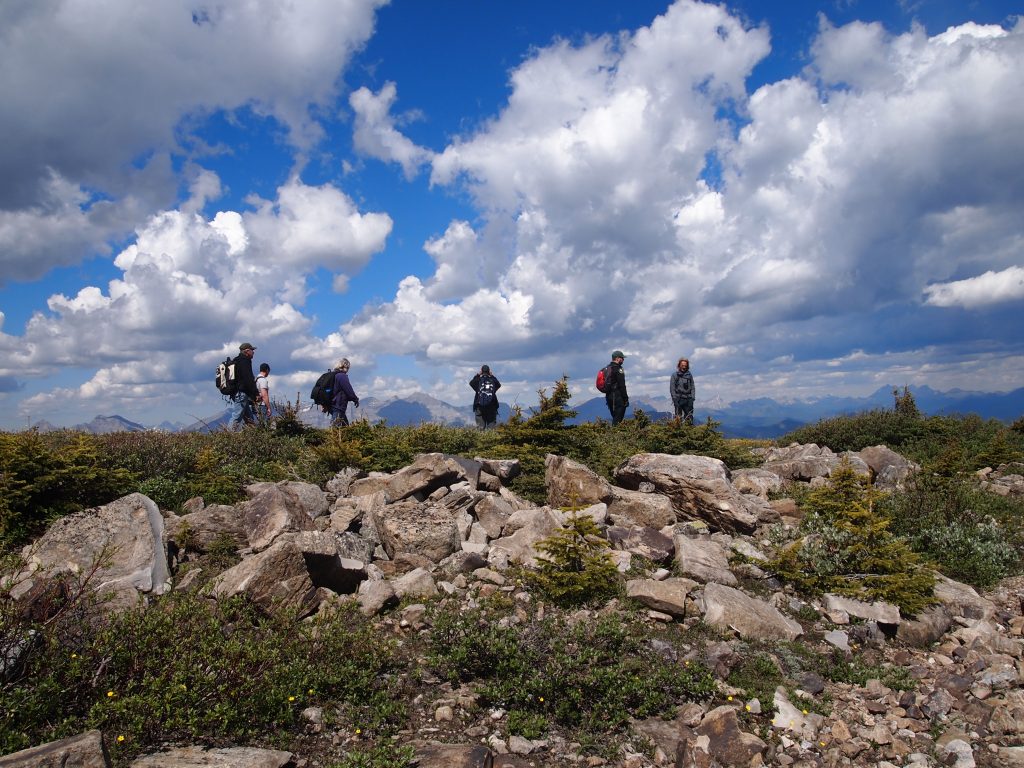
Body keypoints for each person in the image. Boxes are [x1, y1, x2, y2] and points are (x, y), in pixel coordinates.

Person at [229, 342, 259, 429]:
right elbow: (248, 379)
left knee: (249, 418)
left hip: (237, 393)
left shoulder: (236, 360)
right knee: (236, 416)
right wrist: (255, 393)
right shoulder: (245, 361)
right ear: (247, 351)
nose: (253, 352)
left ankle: (254, 437)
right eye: (252, 350)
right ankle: (227, 435)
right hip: (241, 394)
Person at [469, 364, 501, 429]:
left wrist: (478, 374)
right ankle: (491, 438)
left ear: (481, 371)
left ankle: (481, 438)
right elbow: (498, 384)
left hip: (479, 406)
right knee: (491, 426)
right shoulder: (493, 381)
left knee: (480, 427)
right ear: (489, 371)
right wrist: (492, 376)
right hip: (492, 406)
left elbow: (471, 383)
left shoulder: (478, 381)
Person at [330, 358, 359, 426]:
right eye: (348, 367)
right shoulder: (342, 376)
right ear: (344, 366)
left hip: (332, 404)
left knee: (345, 426)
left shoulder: (333, 375)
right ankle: (332, 436)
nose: (348, 370)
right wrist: (355, 399)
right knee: (336, 427)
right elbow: (348, 389)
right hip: (338, 405)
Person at [605, 350, 629, 425]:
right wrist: (625, 399)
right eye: (622, 358)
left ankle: (614, 434)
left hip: (609, 397)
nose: (623, 360)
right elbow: (622, 385)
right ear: (617, 358)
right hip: (618, 397)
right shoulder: (619, 369)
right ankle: (614, 435)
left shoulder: (607, 368)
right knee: (618, 420)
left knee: (615, 417)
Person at [670, 357, 695, 425]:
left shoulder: (689, 375)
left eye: (685, 365)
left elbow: (692, 386)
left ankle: (689, 432)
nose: (684, 367)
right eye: (682, 365)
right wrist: (674, 399)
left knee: (689, 417)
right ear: (679, 365)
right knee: (678, 418)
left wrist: (692, 398)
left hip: (688, 399)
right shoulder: (674, 375)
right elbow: (672, 388)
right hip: (678, 398)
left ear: (687, 366)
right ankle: (678, 433)